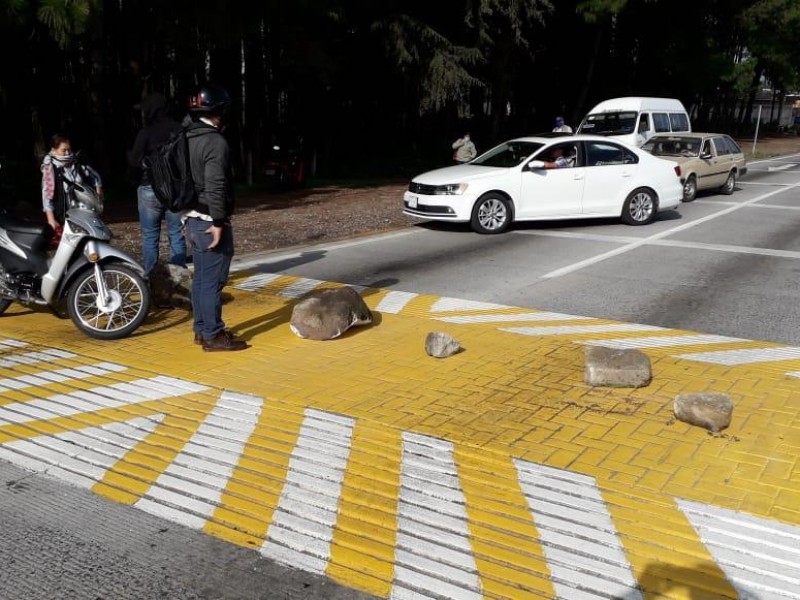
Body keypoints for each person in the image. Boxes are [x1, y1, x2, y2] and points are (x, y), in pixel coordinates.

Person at [183, 83, 248, 352]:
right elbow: (215, 185)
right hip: (209, 220)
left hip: (189, 217)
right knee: (212, 281)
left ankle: (201, 329)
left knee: (200, 279)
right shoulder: (214, 141)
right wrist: (219, 222)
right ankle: (213, 335)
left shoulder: (186, 135)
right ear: (219, 110)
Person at [127, 92, 187, 278]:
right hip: (175, 190)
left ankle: (151, 281)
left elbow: (134, 161)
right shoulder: (179, 129)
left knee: (150, 236)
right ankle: (178, 280)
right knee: (176, 235)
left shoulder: (145, 133)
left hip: (149, 188)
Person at [41, 133, 103, 232]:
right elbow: (47, 196)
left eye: (69, 149)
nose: (67, 153)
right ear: (54, 150)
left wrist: (98, 196)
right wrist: (51, 219)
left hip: (84, 212)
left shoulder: (78, 163)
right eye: (63, 150)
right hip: (63, 216)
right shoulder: (49, 168)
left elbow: (96, 177)